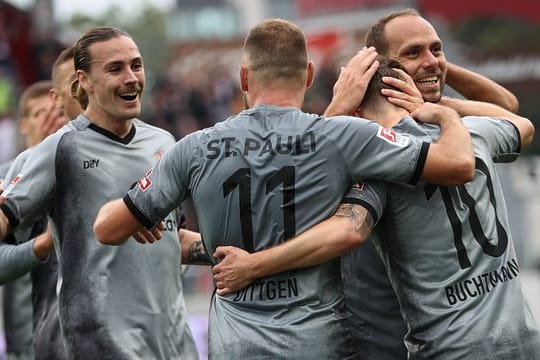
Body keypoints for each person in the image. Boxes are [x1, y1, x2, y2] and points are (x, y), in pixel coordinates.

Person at [92, 18, 474, 359]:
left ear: (244, 78)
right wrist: (445, 114)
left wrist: (142, 219)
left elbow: (107, 229)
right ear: (308, 75)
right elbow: (456, 166)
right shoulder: (343, 137)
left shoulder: (192, 147)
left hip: (235, 347)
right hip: (319, 342)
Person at [212, 51, 540, 359]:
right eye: (415, 53)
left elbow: (342, 227)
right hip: (522, 338)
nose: (429, 60)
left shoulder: (378, 168)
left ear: (355, 113)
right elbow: (519, 122)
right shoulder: (470, 133)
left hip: (448, 346)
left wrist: (254, 265)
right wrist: (442, 111)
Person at [0, 26, 199, 359]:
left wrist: (241, 254)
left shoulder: (164, 143)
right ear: (85, 80)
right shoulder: (60, 149)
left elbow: (172, 239)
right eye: (115, 68)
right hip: (102, 345)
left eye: (136, 65)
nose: (131, 77)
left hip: (175, 345)